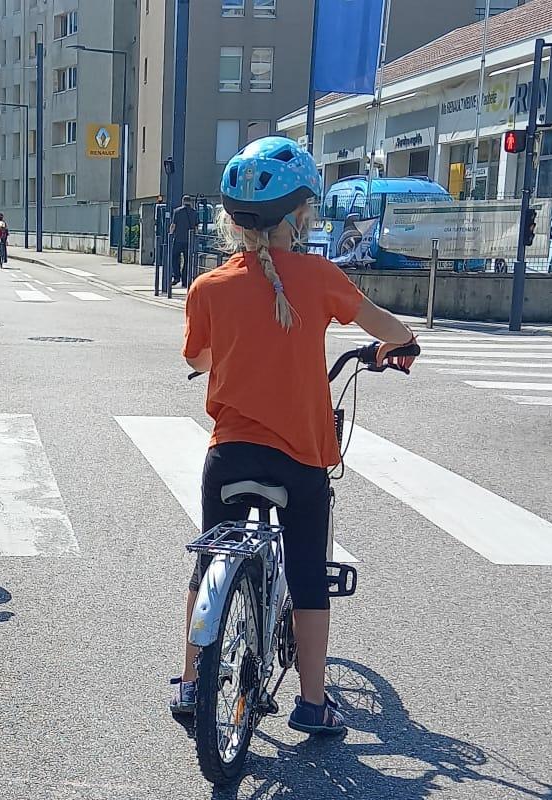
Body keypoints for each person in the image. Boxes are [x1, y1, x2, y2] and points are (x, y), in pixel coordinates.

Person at [173, 136, 419, 735]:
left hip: (229, 457)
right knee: (308, 576)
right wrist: (401, 345)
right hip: (300, 460)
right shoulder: (319, 277)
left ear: (232, 223)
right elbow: (390, 327)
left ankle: (188, 683)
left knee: (211, 564)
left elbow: (199, 358)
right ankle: (313, 703)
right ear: (300, 216)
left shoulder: (208, 288)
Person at [170, 195, 200, 287]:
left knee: (174, 258)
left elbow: (173, 225)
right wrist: (196, 238)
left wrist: (170, 234)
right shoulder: (194, 212)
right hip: (189, 240)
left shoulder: (177, 211)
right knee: (188, 261)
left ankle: (176, 276)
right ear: (190, 202)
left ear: (183, 201)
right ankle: (184, 280)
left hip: (178, 239)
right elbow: (196, 227)